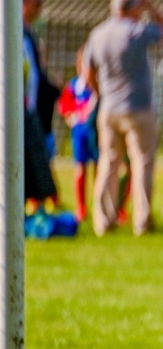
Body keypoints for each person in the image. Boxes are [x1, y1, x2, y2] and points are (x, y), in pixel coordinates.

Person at [83, 0, 163, 236]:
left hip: (109, 109)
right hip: (137, 108)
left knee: (108, 162)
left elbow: (87, 73)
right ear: (131, 8)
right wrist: (150, 6)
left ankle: (103, 221)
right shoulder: (137, 31)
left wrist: (102, 93)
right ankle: (142, 220)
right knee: (142, 163)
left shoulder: (98, 34)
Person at [21, 0, 59, 209]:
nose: (40, 9)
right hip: (20, 110)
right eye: (37, 4)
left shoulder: (28, 34)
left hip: (31, 109)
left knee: (37, 161)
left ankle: (39, 210)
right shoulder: (12, 32)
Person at [59, 51, 99, 223]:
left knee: (99, 169)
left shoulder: (98, 86)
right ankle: (81, 207)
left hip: (96, 133)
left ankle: (99, 205)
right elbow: (64, 107)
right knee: (80, 168)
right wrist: (71, 119)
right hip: (79, 133)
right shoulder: (74, 86)